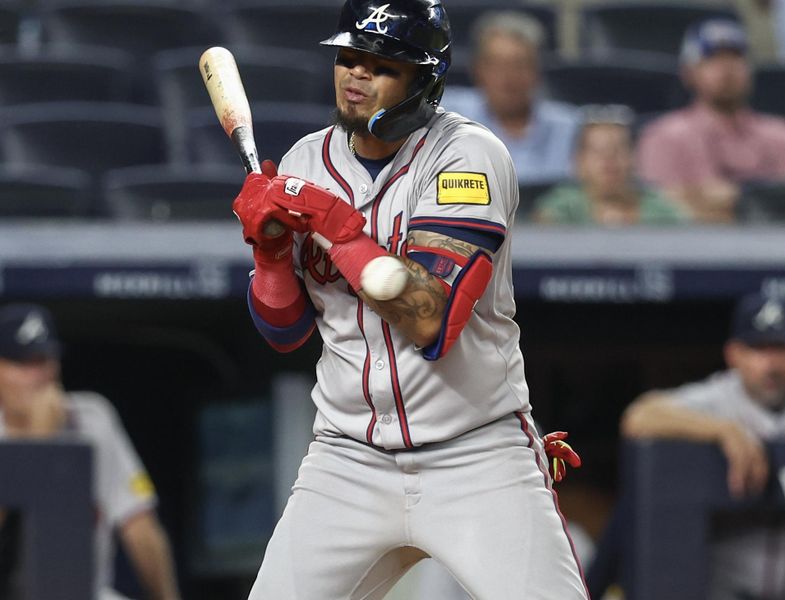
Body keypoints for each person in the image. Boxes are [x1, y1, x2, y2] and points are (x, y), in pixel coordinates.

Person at [230, 1, 588, 598]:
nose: (356, 74)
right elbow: (285, 332)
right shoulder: (303, 162)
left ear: (425, 79)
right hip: (347, 459)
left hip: (474, 452)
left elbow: (430, 318)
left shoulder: (467, 158)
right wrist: (268, 257)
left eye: (382, 63)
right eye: (349, 57)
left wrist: (339, 229)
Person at [620, 293, 785, 600]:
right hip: (729, 590)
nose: (770, 363)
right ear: (734, 354)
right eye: (757, 349)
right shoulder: (718, 399)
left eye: (780, 348)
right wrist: (722, 430)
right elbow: (638, 417)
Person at [0, 304, 181, 600]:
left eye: (45, 360)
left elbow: (138, 524)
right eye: (24, 364)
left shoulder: (91, 418)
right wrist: (36, 445)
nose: (40, 375)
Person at [637, 18, 785, 223]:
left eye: (736, 58)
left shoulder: (783, 135)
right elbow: (660, 213)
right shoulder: (664, 136)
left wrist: (713, 199)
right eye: (713, 59)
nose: (727, 69)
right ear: (688, 73)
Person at [442, 10, 580, 187]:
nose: (508, 78)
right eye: (496, 65)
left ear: (537, 71)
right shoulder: (445, 117)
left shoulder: (571, 128)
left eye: (519, 65)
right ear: (477, 70)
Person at [533, 104, 687, 225]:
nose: (608, 159)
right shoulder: (563, 207)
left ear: (634, 158)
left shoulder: (660, 211)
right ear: (579, 162)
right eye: (597, 151)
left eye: (618, 149)